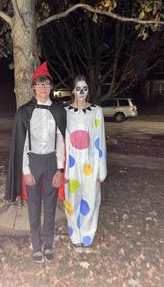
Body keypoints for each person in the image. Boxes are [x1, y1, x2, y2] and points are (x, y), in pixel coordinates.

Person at [5, 62, 66, 264]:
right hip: (32, 162)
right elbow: (21, 145)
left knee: (49, 206)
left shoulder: (58, 111)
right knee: (34, 206)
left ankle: (48, 245)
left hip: (51, 163)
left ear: (50, 87)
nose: (43, 88)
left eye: (47, 84)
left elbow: (61, 142)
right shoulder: (24, 112)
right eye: (40, 84)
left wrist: (59, 169)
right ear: (33, 87)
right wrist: (25, 171)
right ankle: (36, 246)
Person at [63, 75, 107, 253]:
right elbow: (61, 141)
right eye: (78, 88)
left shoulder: (96, 111)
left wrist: (101, 170)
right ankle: (75, 237)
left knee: (90, 199)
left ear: (88, 90)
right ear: (73, 90)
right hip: (72, 165)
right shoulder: (64, 112)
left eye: (85, 88)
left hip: (90, 164)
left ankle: (87, 237)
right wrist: (62, 167)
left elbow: (100, 140)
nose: (81, 92)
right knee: (72, 201)